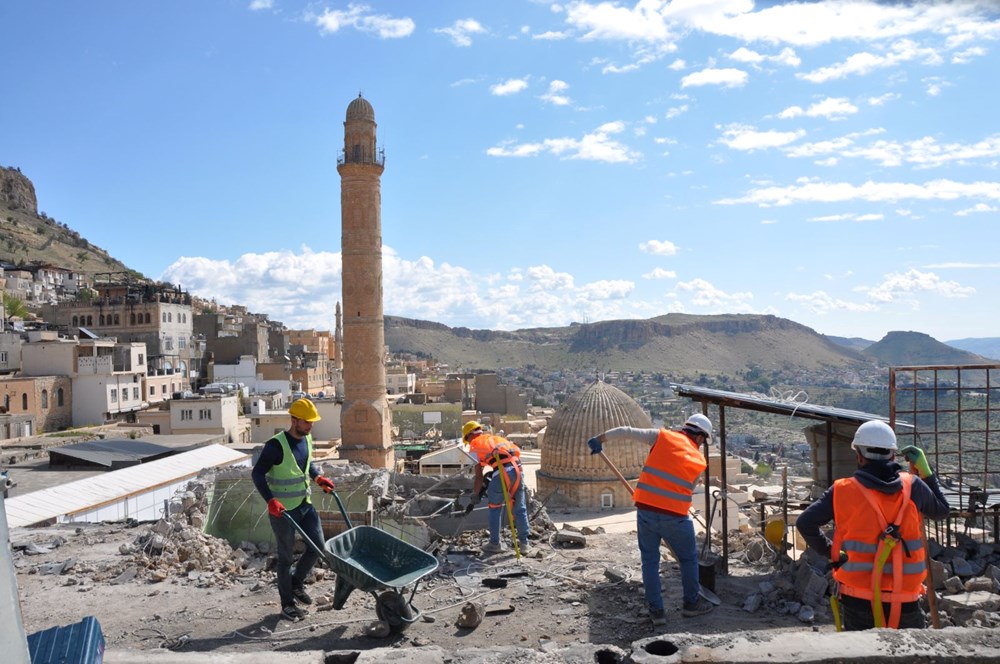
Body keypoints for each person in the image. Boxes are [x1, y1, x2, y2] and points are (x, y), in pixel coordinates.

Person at [796, 420, 949, 631]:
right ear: (893, 456)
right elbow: (942, 510)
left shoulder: (842, 490)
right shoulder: (914, 486)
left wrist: (833, 554)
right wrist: (926, 472)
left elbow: (805, 523)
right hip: (905, 600)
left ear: (858, 456)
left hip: (857, 598)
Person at [587, 414, 716, 626]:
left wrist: (599, 440)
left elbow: (626, 430)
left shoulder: (661, 437)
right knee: (688, 560)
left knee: (650, 561)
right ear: (701, 438)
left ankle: (657, 612)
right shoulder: (699, 461)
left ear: (686, 428)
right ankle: (691, 605)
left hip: (646, 512)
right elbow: (687, 490)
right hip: (676, 518)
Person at [251, 397, 336, 621]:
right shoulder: (275, 446)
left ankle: (296, 583)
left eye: (312, 422)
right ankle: (287, 604)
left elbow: (306, 465)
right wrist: (270, 500)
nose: (311, 426)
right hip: (282, 512)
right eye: (307, 422)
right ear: (294, 420)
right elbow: (257, 474)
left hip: (304, 505)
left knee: (318, 547)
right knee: (286, 557)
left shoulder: (306, 440)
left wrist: (318, 477)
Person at [464, 420, 531, 554]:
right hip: (518, 470)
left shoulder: (475, 446)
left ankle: (495, 544)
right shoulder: (497, 438)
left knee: (495, 509)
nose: (469, 443)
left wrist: (476, 495)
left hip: (501, 472)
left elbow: (479, 476)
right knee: (520, 508)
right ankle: (524, 544)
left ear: (469, 436)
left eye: (467, 439)